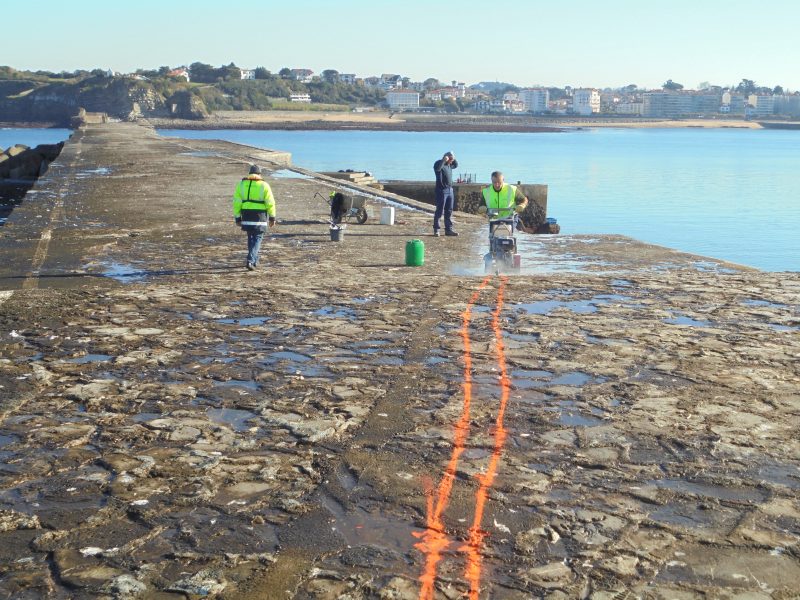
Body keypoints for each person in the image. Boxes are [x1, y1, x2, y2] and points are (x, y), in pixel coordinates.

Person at [233, 164, 276, 270]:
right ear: (259, 174)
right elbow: (270, 202)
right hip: (259, 216)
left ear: (250, 173)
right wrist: (272, 217)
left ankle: (255, 260)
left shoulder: (241, 184)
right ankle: (250, 260)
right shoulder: (264, 185)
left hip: (246, 215)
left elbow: (236, 202)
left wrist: (237, 217)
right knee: (258, 237)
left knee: (251, 237)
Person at [432, 151, 459, 236]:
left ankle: (448, 230)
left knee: (449, 210)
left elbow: (456, 165)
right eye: (450, 159)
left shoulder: (449, 165)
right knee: (439, 210)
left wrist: (453, 157)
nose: (452, 161)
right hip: (442, 190)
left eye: (452, 159)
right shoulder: (439, 163)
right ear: (446, 158)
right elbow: (437, 169)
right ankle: (436, 229)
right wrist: (444, 160)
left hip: (450, 190)